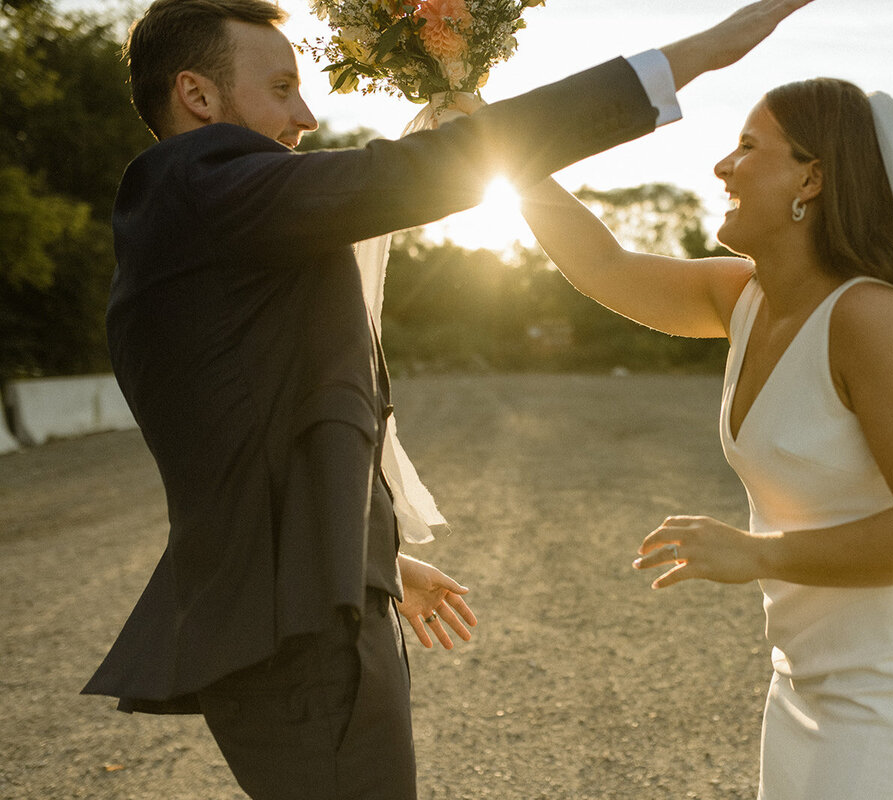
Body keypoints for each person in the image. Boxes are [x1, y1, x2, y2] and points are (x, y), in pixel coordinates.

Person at [80, 0, 817, 798]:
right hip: (287, 626)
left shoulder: (224, 225)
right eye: (283, 87)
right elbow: (405, 177)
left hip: (315, 593)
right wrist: (696, 53)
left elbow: (253, 425)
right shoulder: (199, 185)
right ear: (198, 96)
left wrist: (374, 553)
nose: (306, 113)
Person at [518, 78, 893, 798]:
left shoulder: (870, 318)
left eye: (748, 146)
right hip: (804, 680)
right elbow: (603, 267)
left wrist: (757, 555)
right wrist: (502, 151)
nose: (722, 166)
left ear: (812, 176)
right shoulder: (743, 297)